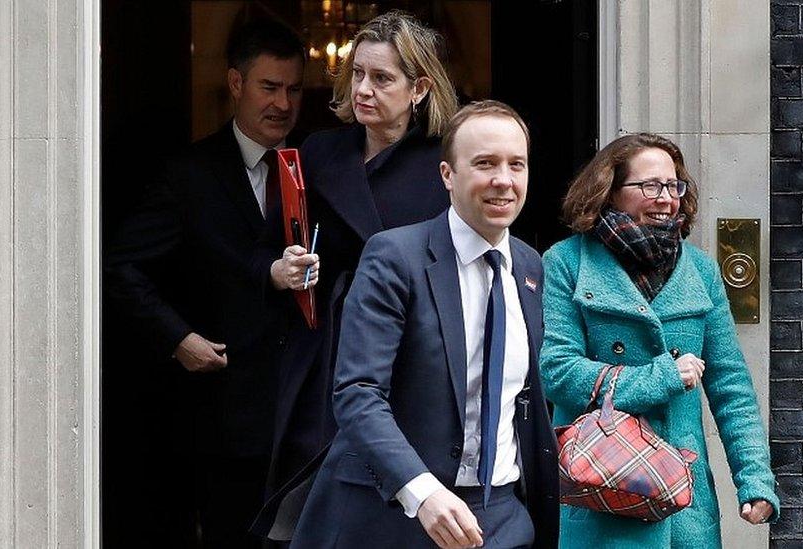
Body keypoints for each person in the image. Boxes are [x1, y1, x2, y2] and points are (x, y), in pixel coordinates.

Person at [289, 100, 559, 549]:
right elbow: (357, 393)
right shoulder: (394, 258)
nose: (503, 181)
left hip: (502, 520)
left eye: (517, 165)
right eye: (485, 164)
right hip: (394, 517)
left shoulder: (530, 267)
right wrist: (424, 491)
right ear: (447, 176)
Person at [104, 17, 316, 548]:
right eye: (269, 87)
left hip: (308, 416)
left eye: (293, 89)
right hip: (226, 419)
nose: (283, 104)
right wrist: (177, 339)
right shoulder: (189, 175)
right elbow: (121, 267)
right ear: (237, 84)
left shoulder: (317, 166)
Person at [252, 10, 460, 543]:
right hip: (322, 349)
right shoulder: (319, 152)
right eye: (358, 74)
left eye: (382, 78)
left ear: (419, 88)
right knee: (307, 502)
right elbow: (269, 249)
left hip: (411, 354)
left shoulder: (445, 165)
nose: (364, 89)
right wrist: (282, 272)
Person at [538, 133, 780, 548]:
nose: (666, 198)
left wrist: (755, 479)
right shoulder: (566, 262)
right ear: (610, 192)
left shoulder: (701, 271)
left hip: (683, 501)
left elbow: (731, 388)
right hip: (603, 491)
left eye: (673, 186)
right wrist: (660, 377)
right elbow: (557, 372)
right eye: (651, 185)